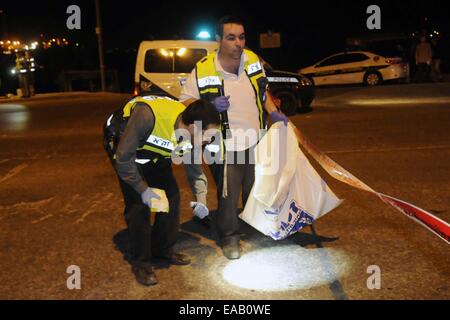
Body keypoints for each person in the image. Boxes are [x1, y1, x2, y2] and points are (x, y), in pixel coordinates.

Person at [180, 15, 288, 260]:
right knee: (228, 194)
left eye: (241, 37)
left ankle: (254, 226)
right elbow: (183, 101)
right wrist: (206, 104)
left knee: (256, 188)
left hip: (256, 139)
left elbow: (263, 92)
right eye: (231, 38)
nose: (238, 43)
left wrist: (274, 113)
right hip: (224, 144)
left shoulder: (252, 60)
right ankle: (230, 236)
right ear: (218, 40)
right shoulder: (204, 69)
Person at [103, 96, 220, 286]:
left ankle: (162, 249)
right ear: (193, 127)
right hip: (125, 151)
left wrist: (201, 199)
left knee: (171, 197)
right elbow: (123, 161)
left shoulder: (192, 138)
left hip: (157, 155)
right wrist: (143, 189)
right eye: (207, 135)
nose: (209, 141)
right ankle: (141, 263)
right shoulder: (147, 116)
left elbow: (194, 171)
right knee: (139, 206)